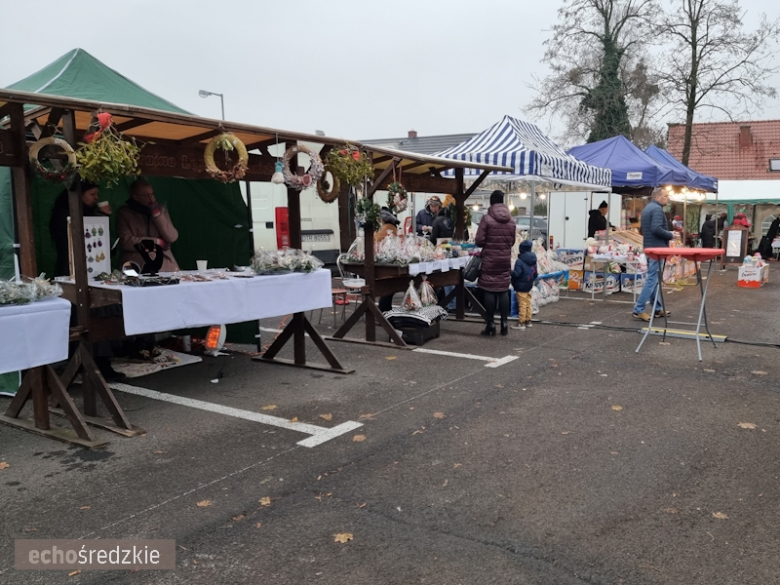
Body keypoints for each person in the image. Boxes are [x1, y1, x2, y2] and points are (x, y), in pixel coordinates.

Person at [475, 190, 516, 336]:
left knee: (489, 289)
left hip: (489, 259)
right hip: (504, 259)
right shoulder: (511, 221)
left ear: (491, 202)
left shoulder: (486, 219)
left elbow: (479, 240)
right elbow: (512, 241)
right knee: (503, 289)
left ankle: (491, 324)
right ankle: (504, 323)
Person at [49, 180, 111, 277]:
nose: (96, 197)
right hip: (71, 266)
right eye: (92, 194)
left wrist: (101, 217)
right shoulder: (63, 214)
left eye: (96, 194)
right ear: (80, 195)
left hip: (92, 264)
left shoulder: (89, 210)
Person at [116, 178, 180, 272]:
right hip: (136, 261)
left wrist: (157, 216)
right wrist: (156, 242)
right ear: (135, 197)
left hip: (163, 261)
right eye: (146, 195)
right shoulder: (124, 213)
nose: (151, 199)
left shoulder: (161, 209)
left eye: (152, 194)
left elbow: (172, 237)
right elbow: (125, 241)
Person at [632, 187, 673, 322]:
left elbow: (646, 229)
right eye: (666, 196)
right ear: (658, 197)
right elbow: (656, 228)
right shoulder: (657, 209)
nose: (668, 198)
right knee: (652, 279)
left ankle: (657, 308)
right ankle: (639, 309)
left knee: (654, 279)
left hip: (650, 247)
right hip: (657, 248)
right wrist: (670, 235)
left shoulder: (647, 209)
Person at [375, 207, 400, 312]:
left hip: (385, 262)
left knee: (387, 288)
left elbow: (376, 241)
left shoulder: (386, 228)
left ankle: (384, 311)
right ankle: (385, 310)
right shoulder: (392, 227)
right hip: (389, 260)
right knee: (389, 288)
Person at [511, 240, 537, 330]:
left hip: (520, 285)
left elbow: (517, 274)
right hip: (529, 284)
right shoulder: (533, 260)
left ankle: (521, 322)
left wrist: (510, 272)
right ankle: (528, 320)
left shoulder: (519, 261)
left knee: (522, 304)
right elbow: (535, 273)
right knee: (528, 303)